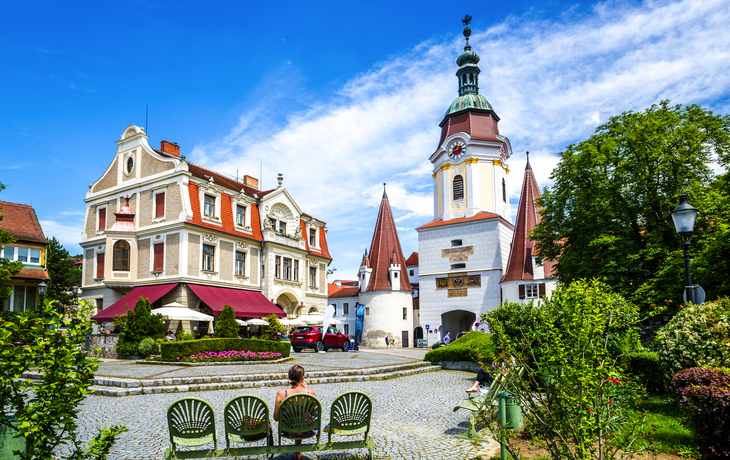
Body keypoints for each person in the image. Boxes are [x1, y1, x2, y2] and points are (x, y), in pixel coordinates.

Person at [273, 365, 316, 460]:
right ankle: (297, 453)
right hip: (306, 429)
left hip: (288, 429)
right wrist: (306, 390)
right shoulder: (310, 392)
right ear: (303, 377)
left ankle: (297, 452)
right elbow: (313, 414)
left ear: (289, 378)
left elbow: (276, 418)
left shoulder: (281, 393)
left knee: (296, 419)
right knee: (301, 419)